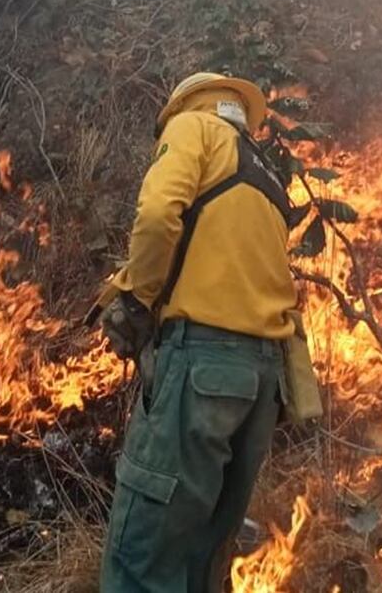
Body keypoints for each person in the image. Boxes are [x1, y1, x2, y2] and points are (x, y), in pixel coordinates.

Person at [93, 72, 299, 592]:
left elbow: (160, 213)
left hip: (202, 368)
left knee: (144, 555)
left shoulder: (194, 128)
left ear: (184, 105)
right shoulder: (266, 175)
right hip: (260, 384)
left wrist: (137, 296)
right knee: (202, 560)